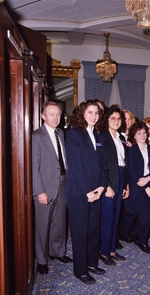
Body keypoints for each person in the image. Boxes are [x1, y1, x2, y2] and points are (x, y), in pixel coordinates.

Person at [65, 100, 108, 284]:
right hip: (79, 193)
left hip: (96, 191)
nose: (93, 116)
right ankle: (80, 270)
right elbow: (75, 167)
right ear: (82, 114)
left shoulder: (98, 136)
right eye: (90, 112)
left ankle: (91, 263)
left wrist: (101, 187)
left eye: (96, 113)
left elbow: (103, 165)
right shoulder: (74, 134)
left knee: (94, 229)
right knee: (80, 232)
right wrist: (87, 192)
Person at [32, 101, 73, 275]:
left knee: (59, 222)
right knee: (42, 226)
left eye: (58, 114)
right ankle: (41, 260)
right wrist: (39, 191)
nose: (56, 118)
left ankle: (57, 252)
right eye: (51, 114)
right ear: (43, 116)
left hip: (62, 183)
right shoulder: (37, 136)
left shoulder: (61, 133)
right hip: (45, 188)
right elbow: (34, 167)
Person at [119, 122, 150, 253]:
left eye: (144, 132)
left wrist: (149, 179)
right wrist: (145, 187)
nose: (142, 135)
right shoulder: (131, 149)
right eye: (139, 133)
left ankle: (133, 231)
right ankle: (142, 242)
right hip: (137, 187)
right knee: (146, 216)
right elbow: (132, 171)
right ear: (134, 136)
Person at [100, 105, 129, 266]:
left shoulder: (121, 138)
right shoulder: (103, 137)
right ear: (107, 120)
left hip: (121, 177)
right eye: (113, 118)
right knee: (107, 218)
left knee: (116, 217)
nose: (116, 121)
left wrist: (126, 185)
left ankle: (111, 249)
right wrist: (107, 186)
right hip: (109, 180)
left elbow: (125, 163)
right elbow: (101, 164)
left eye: (119, 119)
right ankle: (104, 252)